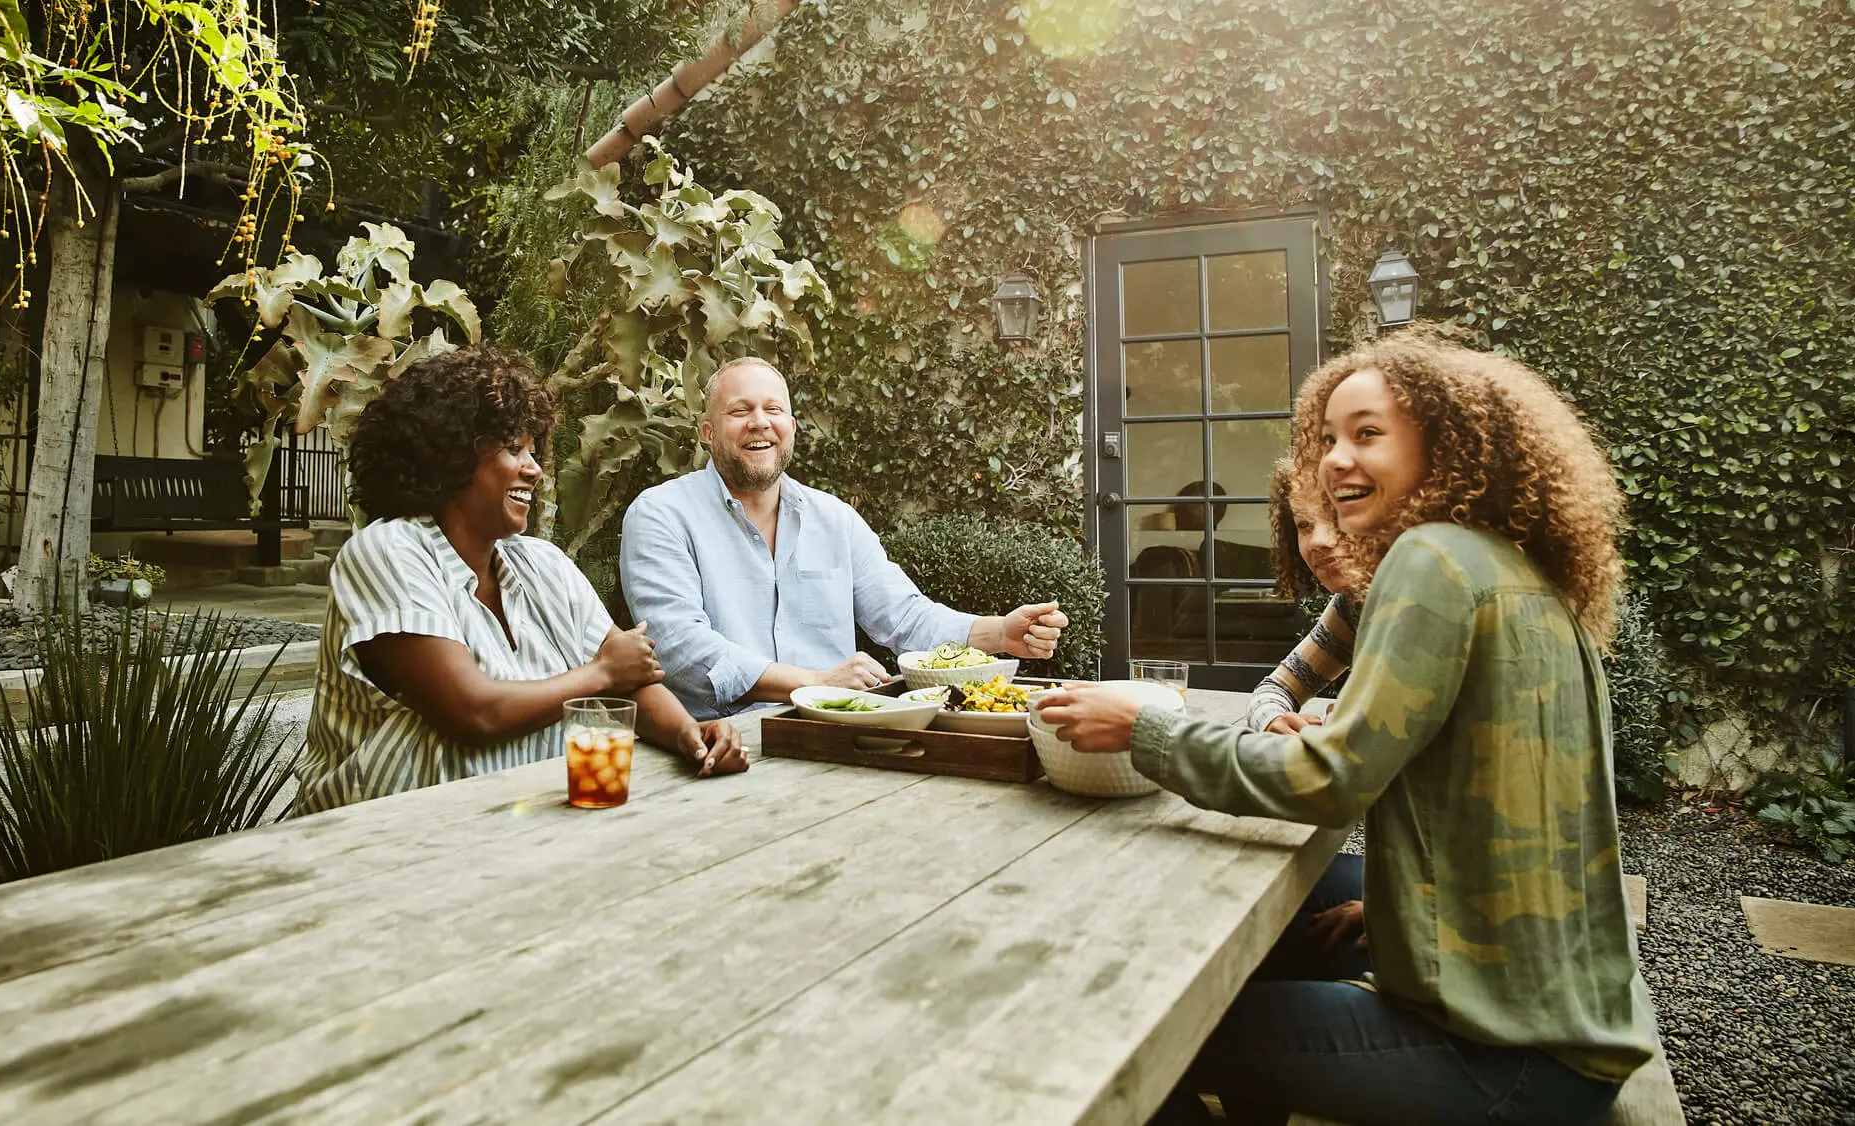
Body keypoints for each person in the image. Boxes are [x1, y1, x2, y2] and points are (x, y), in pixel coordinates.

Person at [1039, 331, 1656, 1126]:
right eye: (1326, 438)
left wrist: (1145, 730)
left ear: (1448, 440)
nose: (1334, 460)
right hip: (1563, 1009)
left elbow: (1327, 784)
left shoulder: (1429, 559)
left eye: (1366, 434)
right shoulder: (1510, 566)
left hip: (1507, 1060)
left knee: (1142, 1023)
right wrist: (1403, 904)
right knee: (1288, 925)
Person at [292, 346, 748, 816]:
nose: (533, 468)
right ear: (448, 455)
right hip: (376, 840)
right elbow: (475, 712)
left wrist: (688, 733)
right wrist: (601, 674)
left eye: (534, 450)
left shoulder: (541, 564)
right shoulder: (389, 552)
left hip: (524, 824)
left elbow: (630, 680)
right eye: (513, 448)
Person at [619, 356, 1069, 720]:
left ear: (791, 428)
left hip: (830, 737)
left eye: (773, 410)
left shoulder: (835, 519)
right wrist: (814, 682)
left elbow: (905, 617)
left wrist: (1001, 634)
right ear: (707, 432)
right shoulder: (661, 514)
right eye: (740, 411)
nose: (759, 422)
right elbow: (679, 647)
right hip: (711, 747)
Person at [1241, 459, 1375, 735]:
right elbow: (1276, 688)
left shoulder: (1435, 599)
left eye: (1336, 516)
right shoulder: (1354, 606)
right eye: (1304, 525)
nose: (1317, 540)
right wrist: (1271, 719)